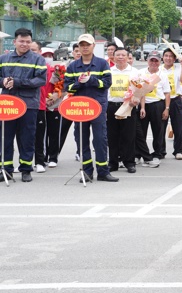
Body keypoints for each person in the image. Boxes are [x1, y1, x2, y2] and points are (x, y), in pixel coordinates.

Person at [65, 34, 116, 182]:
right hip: (79, 108)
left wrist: (92, 80)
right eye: (82, 45)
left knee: (100, 139)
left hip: (97, 107)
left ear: (93, 45)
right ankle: (87, 171)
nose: (85, 47)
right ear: (78, 47)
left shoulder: (102, 64)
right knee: (81, 139)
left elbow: (107, 83)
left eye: (87, 44)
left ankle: (103, 171)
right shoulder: (73, 66)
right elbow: (68, 87)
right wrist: (78, 83)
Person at [0, 29, 48, 182]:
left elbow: (41, 80)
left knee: (27, 138)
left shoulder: (37, 59)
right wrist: (3, 81)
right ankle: (6, 169)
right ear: (15, 42)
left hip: (29, 104)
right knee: (5, 138)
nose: (25, 44)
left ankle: (26, 169)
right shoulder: (4, 58)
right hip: (8, 104)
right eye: (22, 41)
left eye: (28, 42)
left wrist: (18, 82)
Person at [107, 47, 141, 173]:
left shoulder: (134, 72)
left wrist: (135, 99)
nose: (120, 57)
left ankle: (129, 162)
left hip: (128, 106)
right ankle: (113, 162)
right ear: (113, 57)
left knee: (129, 135)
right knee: (112, 135)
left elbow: (140, 89)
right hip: (112, 106)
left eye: (123, 55)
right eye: (118, 55)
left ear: (128, 57)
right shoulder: (109, 71)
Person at [135, 51, 171, 167]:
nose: (154, 63)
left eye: (156, 60)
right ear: (147, 61)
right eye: (152, 60)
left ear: (160, 61)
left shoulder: (163, 74)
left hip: (158, 105)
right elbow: (138, 91)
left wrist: (166, 108)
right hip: (143, 105)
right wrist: (142, 107)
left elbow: (167, 93)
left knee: (158, 131)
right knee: (140, 132)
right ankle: (139, 154)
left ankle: (157, 153)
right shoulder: (141, 73)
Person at [31, 44, 56, 174]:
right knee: (24, 136)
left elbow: (49, 88)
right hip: (24, 105)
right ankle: (25, 162)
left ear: (39, 52)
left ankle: (40, 162)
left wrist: (49, 98)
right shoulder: (23, 66)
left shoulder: (47, 69)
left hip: (39, 105)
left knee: (39, 136)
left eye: (34, 50)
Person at [161, 48, 182, 161]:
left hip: (176, 100)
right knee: (161, 127)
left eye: (170, 56)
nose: (168, 58)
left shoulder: (178, 68)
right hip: (162, 100)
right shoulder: (159, 69)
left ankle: (178, 151)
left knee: (178, 126)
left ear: (174, 58)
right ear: (163, 57)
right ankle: (161, 150)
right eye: (166, 56)